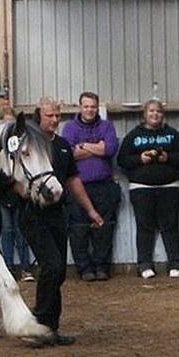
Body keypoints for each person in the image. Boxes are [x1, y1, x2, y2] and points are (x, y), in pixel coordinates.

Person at [17, 97, 104, 348]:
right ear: (38, 116)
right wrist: (27, 194)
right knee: (52, 267)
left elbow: (72, 180)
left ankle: (50, 328)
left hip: (57, 214)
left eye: (57, 116)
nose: (55, 120)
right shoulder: (28, 144)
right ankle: (37, 325)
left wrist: (91, 211)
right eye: (50, 116)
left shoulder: (64, 146)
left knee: (58, 273)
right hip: (33, 214)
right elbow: (12, 177)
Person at [117, 99, 179, 279]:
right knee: (144, 227)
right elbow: (122, 160)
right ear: (144, 114)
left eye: (158, 111)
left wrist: (167, 157)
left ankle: (175, 263)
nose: (155, 114)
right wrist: (140, 159)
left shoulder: (173, 134)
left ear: (162, 115)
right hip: (141, 188)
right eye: (151, 111)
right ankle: (144, 264)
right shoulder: (133, 136)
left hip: (169, 186)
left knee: (170, 226)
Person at [61, 91, 121, 281]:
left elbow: (110, 149)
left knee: (104, 228)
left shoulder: (106, 126)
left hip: (103, 186)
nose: (89, 110)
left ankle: (101, 267)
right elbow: (68, 154)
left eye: (93, 107)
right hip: (76, 186)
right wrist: (97, 148)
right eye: (86, 106)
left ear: (97, 108)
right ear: (80, 107)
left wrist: (83, 146)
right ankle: (84, 268)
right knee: (78, 228)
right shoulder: (69, 127)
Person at [0, 105, 35, 282]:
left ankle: (26, 268)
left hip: (18, 195)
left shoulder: (20, 145)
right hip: (4, 195)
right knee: (7, 231)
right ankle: (8, 267)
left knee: (21, 231)